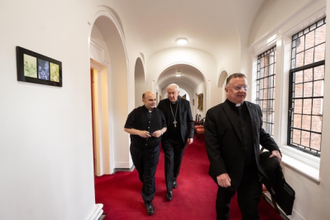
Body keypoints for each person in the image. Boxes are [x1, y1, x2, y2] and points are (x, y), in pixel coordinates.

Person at [204, 73, 282, 220]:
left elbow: (261, 133)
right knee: (223, 206)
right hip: (227, 171)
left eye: (245, 87)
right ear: (227, 89)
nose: (242, 90)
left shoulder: (255, 109)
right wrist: (220, 171)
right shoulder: (215, 113)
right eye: (237, 87)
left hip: (252, 172)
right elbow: (212, 146)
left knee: (251, 211)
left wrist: (274, 148)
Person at [124, 91, 167, 215]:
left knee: (149, 174)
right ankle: (148, 185)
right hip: (137, 149)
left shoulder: (159, 113)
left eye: (154, 99)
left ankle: (148, 201)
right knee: (142, 172)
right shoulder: (135, 113)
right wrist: (139, 132)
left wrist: (161, 132)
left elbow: (165, 126)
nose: (153, 102)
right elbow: (126, 128)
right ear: (143, 100)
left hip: (153, 150)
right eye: (150, 100)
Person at [157, 83, 194, 201]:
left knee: (178, 161)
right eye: (169, 93)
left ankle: (173, 178)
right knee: (169, 161)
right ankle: (169, 189)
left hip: (180, 138)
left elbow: (190, 120)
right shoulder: (162, 104)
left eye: (173, 93)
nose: (171, 95)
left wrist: (191, 135)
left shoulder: (185, 103)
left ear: (178, 93)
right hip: (167, 138)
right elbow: (156, 117)